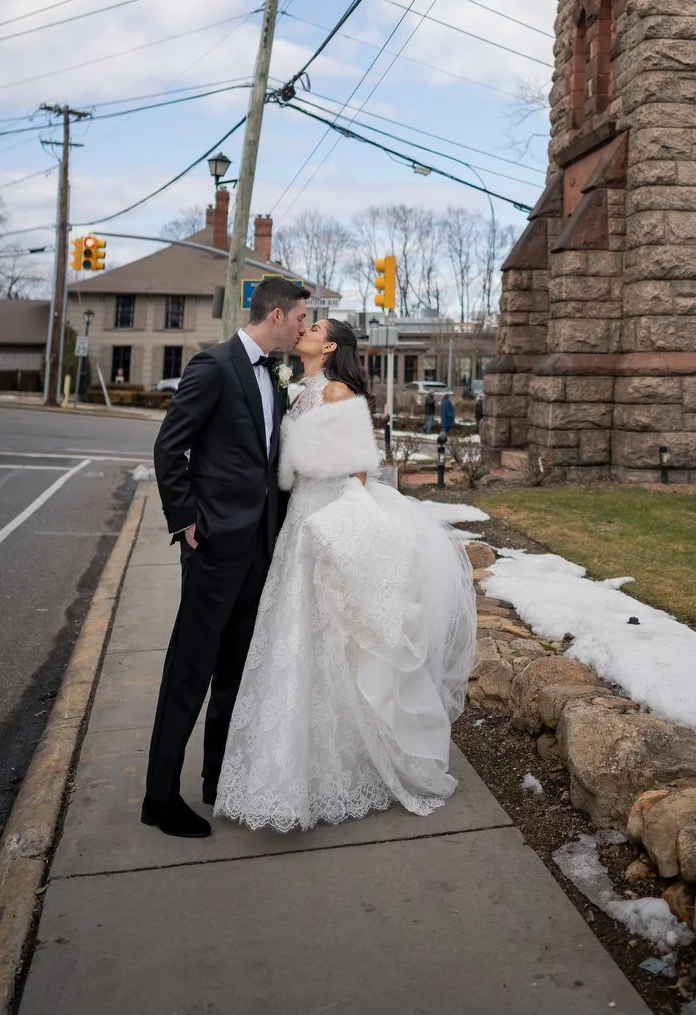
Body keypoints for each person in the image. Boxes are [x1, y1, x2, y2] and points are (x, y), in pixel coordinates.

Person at [215, 317, 477, 831]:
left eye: (311, 327)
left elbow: (360, 470)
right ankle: (289, 770)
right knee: (296, 640)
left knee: (332, 640)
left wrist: (342, 529)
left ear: (329, 345)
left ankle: (352, 760)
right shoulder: (299, 389)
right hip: (296, 523)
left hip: (326, 521)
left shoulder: (336, 392)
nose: (302, 330)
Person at [143, 277, 309, 838]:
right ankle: (160, 797)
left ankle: (220, 780)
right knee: (189, 672)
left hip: (259, 548)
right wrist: (186, 520)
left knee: (236, 673)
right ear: (279, 315)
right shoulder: (214, 365)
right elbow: (171, 446)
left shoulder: (276, 376)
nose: (306, 325)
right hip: (213, 547)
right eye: (302, 316)